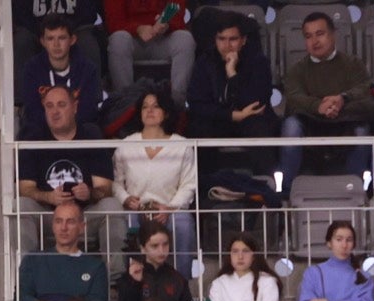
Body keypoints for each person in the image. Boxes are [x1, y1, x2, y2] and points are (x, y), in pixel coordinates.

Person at [277, 13, 374, 194]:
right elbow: (294, 97)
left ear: (333, 35)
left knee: (361, 130)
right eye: (308, 36)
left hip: (346, 120)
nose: (314, 41)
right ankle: (286, 192)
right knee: (290, 127)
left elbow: (364, 92)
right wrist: (319, 106)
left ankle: (355, 191)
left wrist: (341, 99)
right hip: (310, 122)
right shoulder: (297, 70)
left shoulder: (353, 64)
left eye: (320, 34)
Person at [112, 91, 197, 277]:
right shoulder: (126, 144)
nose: (149, 110)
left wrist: (170, 208)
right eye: (145, 106)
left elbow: (189, 184)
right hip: (136, 210)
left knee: (183, 224)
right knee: (125, 224)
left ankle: (181, 283)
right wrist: (126, 199)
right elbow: (116, 183)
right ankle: (131, 282)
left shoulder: (182, 145)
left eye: (156, 106)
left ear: (165, 112)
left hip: (170, 209)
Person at [15, 83, 116, 240]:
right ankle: (28, 264)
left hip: (83, 217)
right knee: (21, 205)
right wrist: (48, 197)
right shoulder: (33, 138)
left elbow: (105, 189)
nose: (55, 112)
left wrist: (89, 193)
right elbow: (25, 189)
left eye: (61, 105)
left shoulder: (91, 135)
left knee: (112, 206)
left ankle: (115, 266)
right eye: (49, 106)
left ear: (74, 107)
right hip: (49, 217)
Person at [186, 13, 277, 169]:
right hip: (219, 119)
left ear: (243, 40)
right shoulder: (205, 61)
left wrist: (232, 74)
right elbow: (196, 104)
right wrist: (232, 115)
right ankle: (205, 185)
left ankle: (267, 185)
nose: (227, 45)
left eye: (233, 39)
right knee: (199, 129)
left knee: (260, 128)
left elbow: (257, 102)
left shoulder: (258, 61)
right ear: (215, 40)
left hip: (251, 120)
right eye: (221, 39)